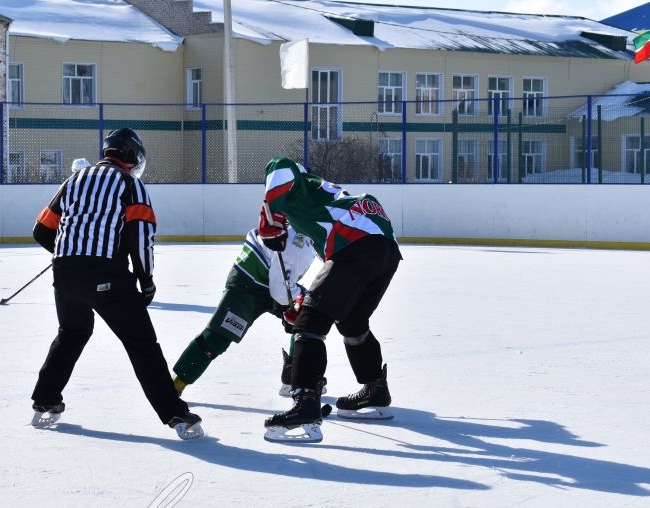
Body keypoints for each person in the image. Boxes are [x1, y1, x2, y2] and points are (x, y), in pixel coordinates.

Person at [30, 128, 203, 440]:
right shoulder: (131, 185)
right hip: (106, 273)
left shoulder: (74, 180)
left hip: (65, 272)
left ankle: (44, 399)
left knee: (72, 333)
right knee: (142, 345)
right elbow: (141, 239)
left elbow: (42, 231)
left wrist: (71, 254)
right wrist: (146, 280)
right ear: (131, 156)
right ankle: (175, 414)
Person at [258, 157, 402, 443]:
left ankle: (306, 405)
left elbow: (281, 166)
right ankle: (376, 389)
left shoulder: (298, 183)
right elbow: (330, 274)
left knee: (311, 323)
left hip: (356, 243)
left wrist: (268, 215)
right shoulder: (319, 206)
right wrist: (303, 302)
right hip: (383, 248)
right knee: (352, 321)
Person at [171, 226, 317, 397]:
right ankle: (176, 383)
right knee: (219, 337)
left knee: (309, 314)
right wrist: (293, 303)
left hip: (276, 280)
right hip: (249, 283)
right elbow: (279, 290)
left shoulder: (318, 228)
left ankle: (293, 376)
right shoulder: (296, 243)